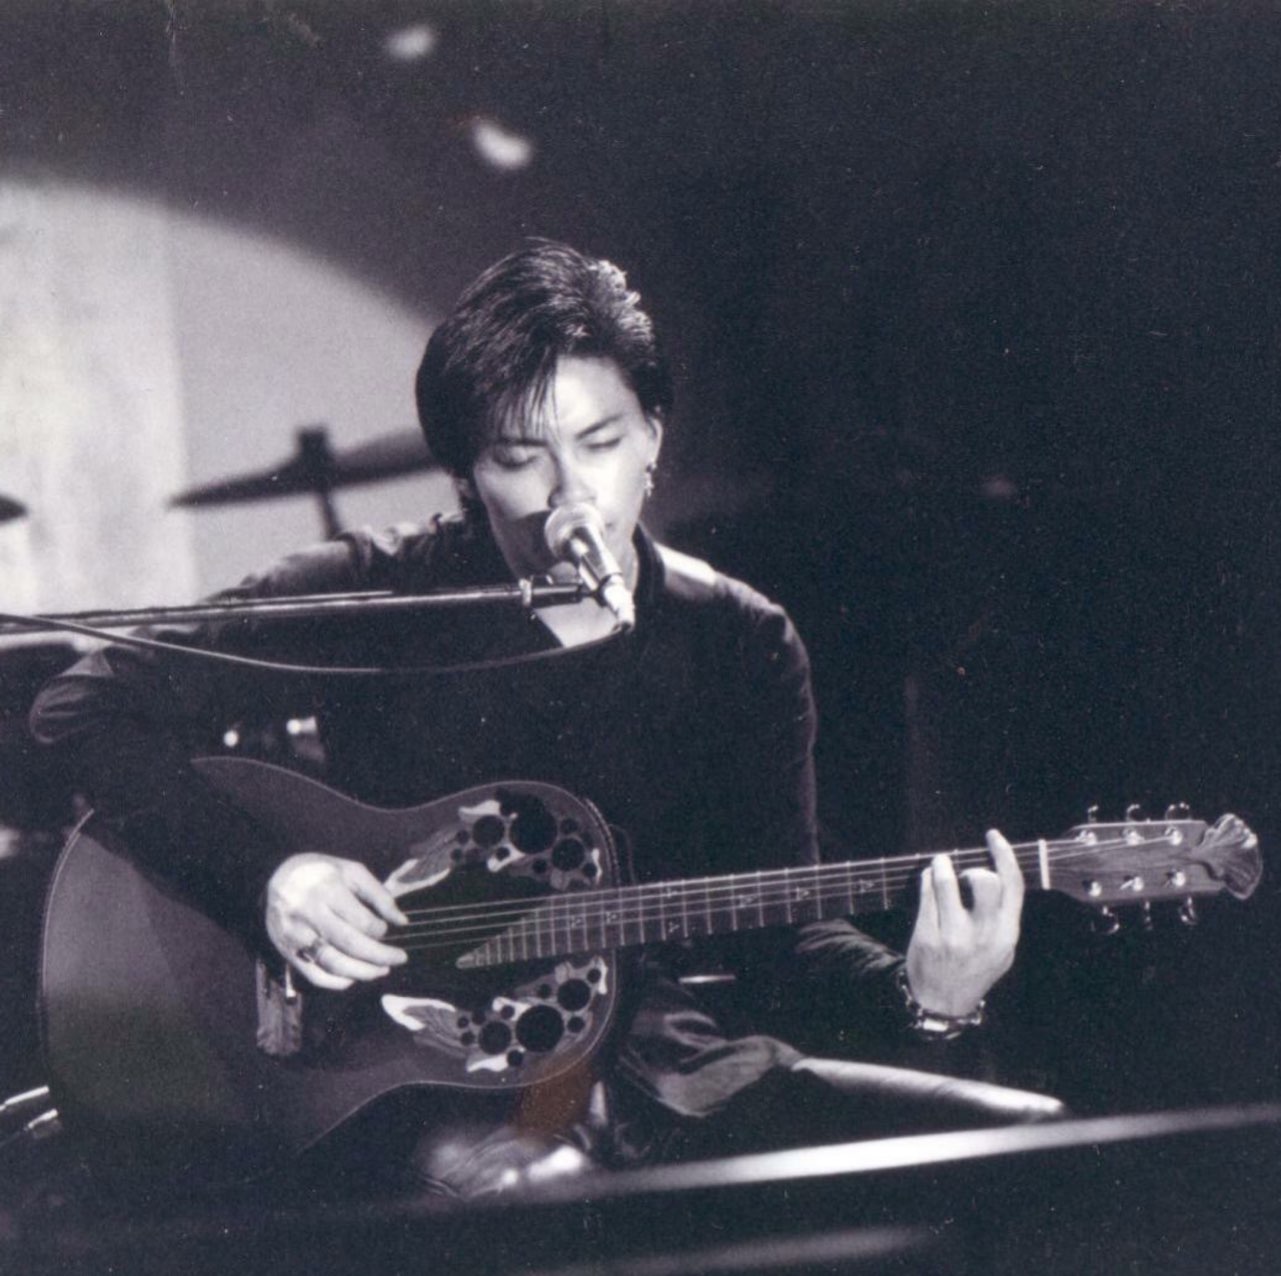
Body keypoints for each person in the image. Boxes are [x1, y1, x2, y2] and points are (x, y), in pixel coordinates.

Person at [29, 241, 1056, 1201]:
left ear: (652, 436)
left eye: (599, 442)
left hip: (660, 1072)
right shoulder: (380, 595)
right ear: (468, 473)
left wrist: (928, 996)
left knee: (1018, 1145)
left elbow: (781, 936)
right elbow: (80, 705)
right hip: (411, 1083)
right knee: (548, 1189)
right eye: (520, 458)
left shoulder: (737, 638)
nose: (569, 494)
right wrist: (271, 878)